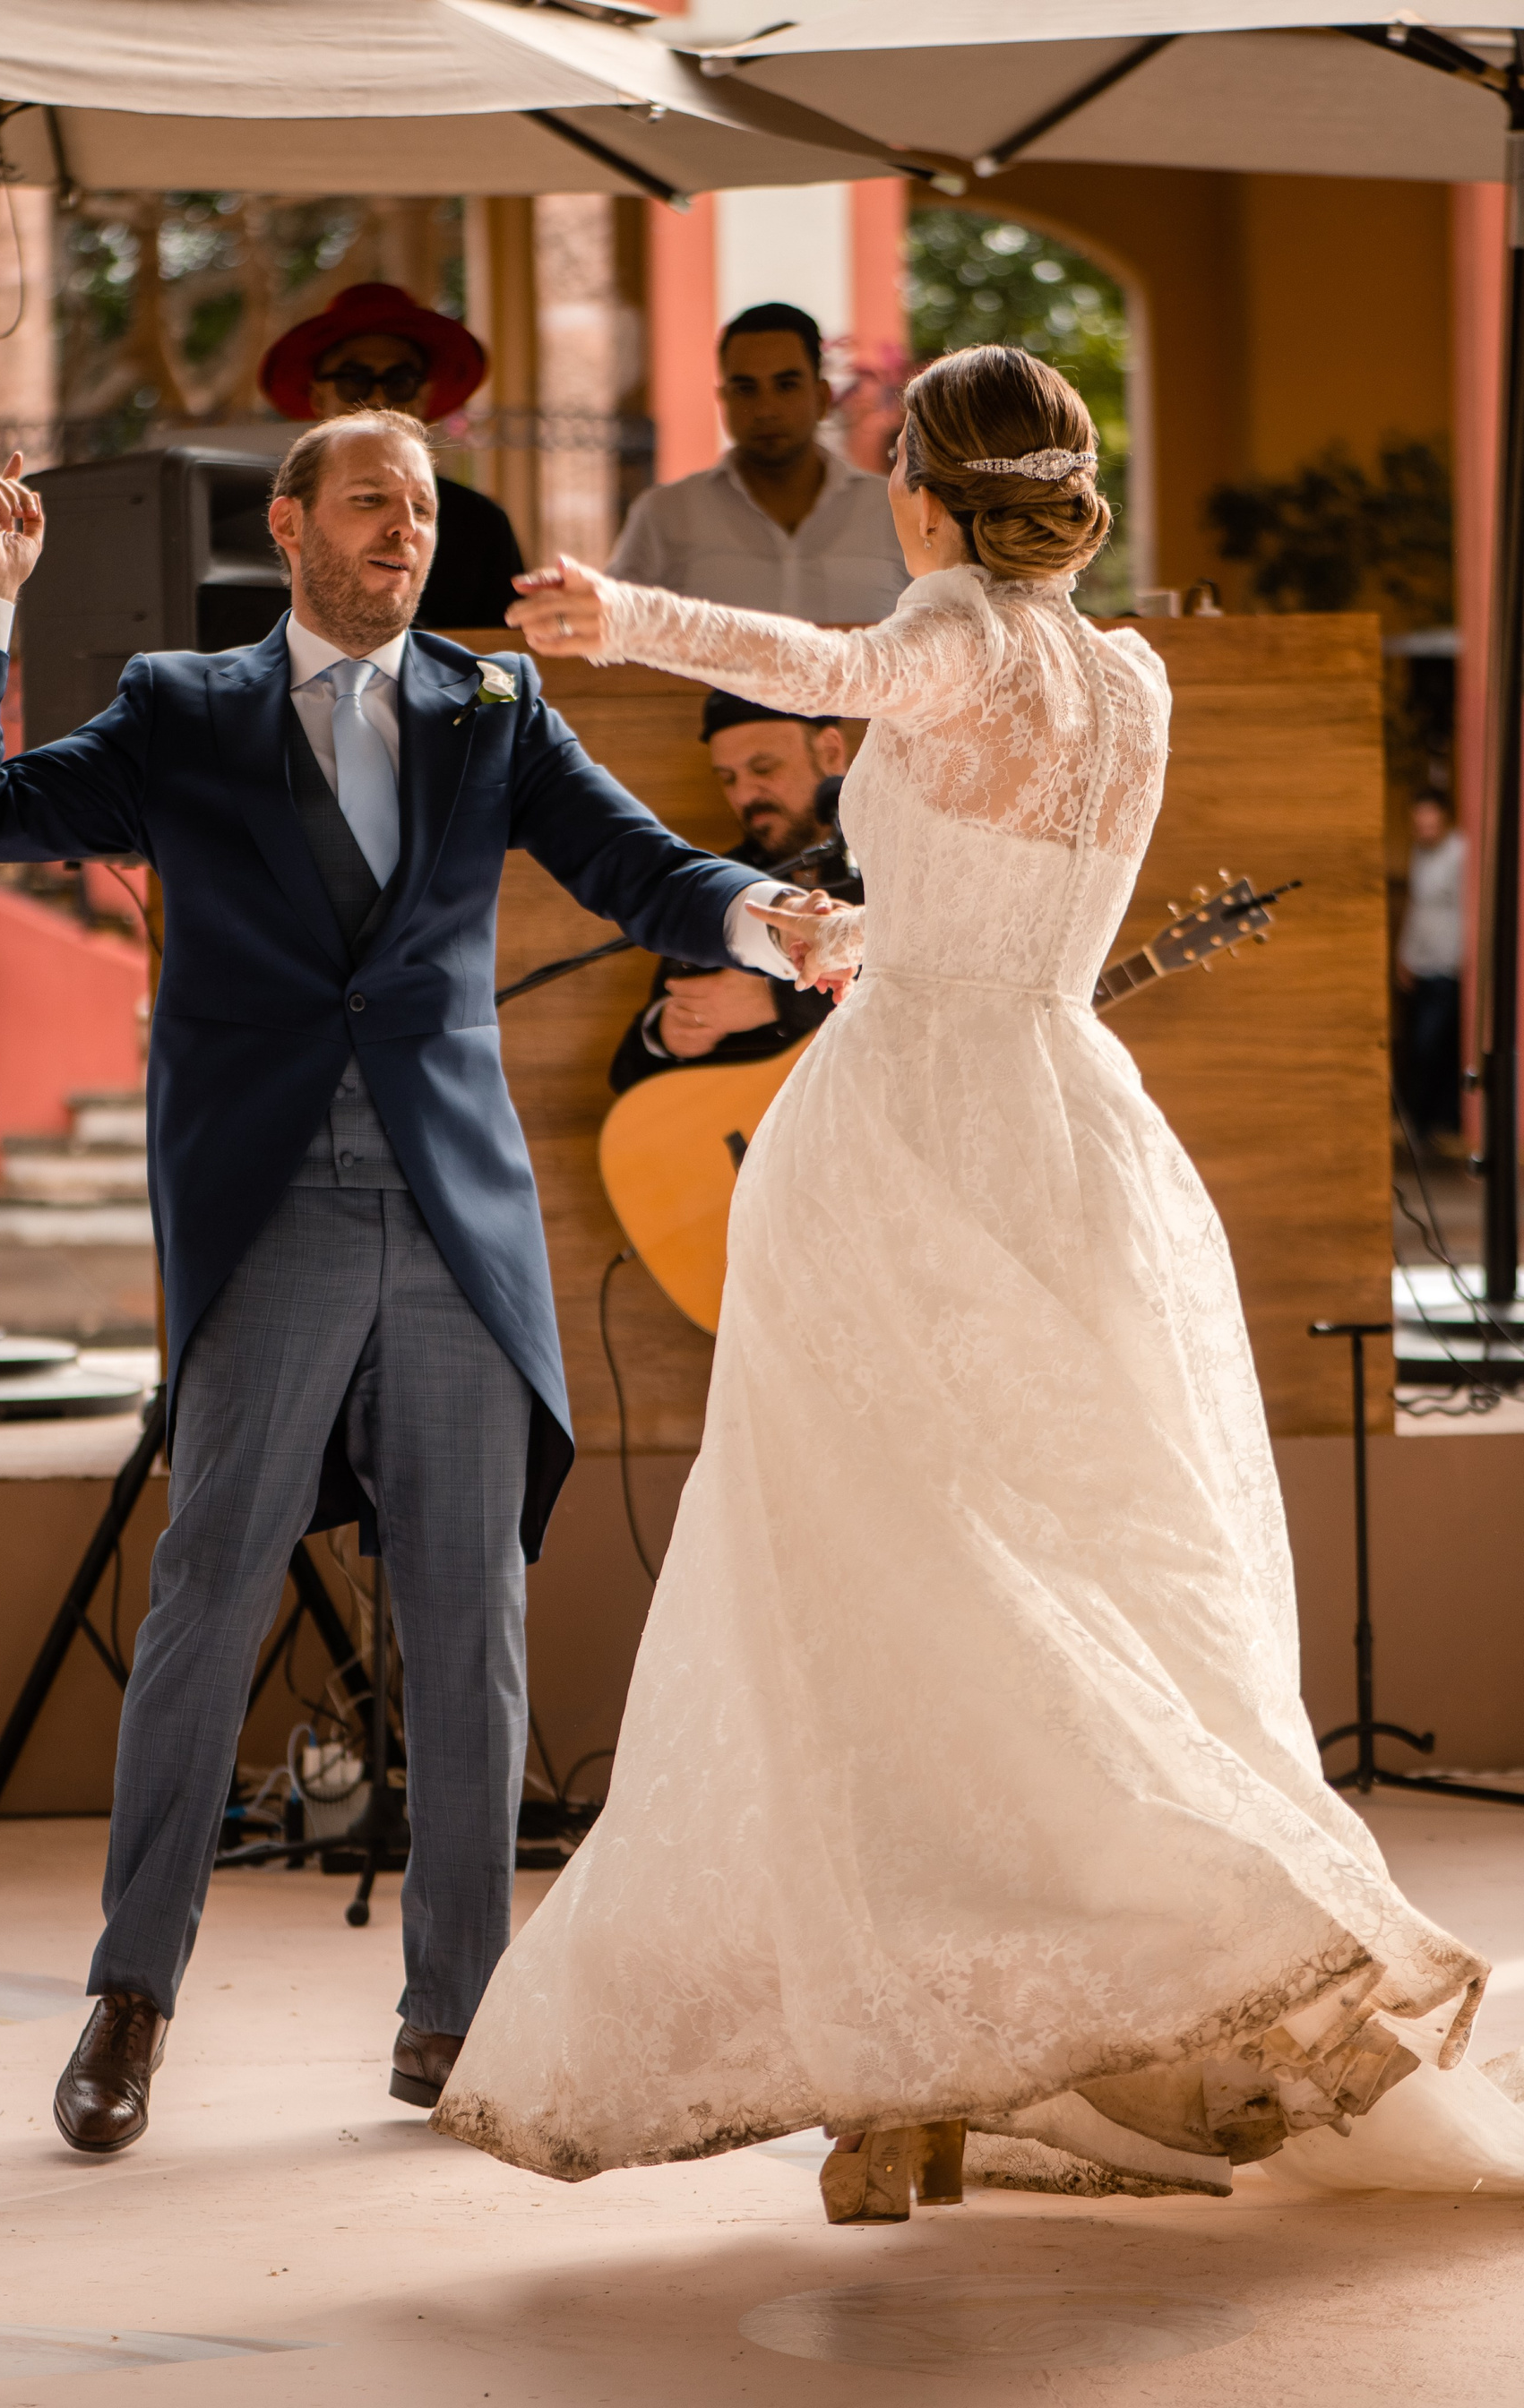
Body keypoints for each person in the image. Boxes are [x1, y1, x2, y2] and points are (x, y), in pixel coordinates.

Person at [434, 345, 1524, 2213]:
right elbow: (982, 871)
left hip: (906, 1128)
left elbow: (827, 669)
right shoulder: (1129, 674)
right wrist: (857, 920)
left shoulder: (958, 634)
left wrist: (623, 613)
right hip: (1075, 1122)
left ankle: (908, 2072)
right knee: (1058, 1571)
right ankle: (978, 2041)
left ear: (928, 497)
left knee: (871, 1585)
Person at [0, 416, 819, 2156]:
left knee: (471, 1612)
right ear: (290, 523)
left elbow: (642, 869)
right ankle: (132, 1995)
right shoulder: (182, 706)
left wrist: (775, 922)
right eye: (372, 500)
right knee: (209, 1590)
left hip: (460, 1216)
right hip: (272, 1208)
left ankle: (456, 2012)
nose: (406, 528)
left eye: (423, 506)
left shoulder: (495, 708)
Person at [608, 690, 860, 1095]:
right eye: (727, 779)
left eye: (764, 768)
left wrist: (775, 1000)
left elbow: (939, 991)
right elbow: (628, 1079)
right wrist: (666, 1033)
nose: (744, 796)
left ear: (830, 752)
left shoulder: (903, 863)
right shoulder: (718, 885)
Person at [607, 302, 908, 626]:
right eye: (745, 389)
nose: (766, 409)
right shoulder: (665, 516)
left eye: (786, 385)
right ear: (724, 401)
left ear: (822, 397)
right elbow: (613, 633)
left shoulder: (895, 514)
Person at [260, 280, 524, 629]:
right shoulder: (256, 515)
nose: (378, 399)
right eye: (354, 379)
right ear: (318, 396)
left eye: (400, 381)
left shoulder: (480, 523)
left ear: (424, 396)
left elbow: (506, 647)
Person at [1394, 791, 1466, 1151]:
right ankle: (1424, 1124)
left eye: (1430, 822)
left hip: (1449, 964)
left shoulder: (1461, 853)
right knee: (1418, 1046)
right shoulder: (1419, 854)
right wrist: (1403, 955)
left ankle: (1431, 1123)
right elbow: (1416, 906)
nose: (1424, 829)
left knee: (1434, 1045)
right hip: (1421, 964)